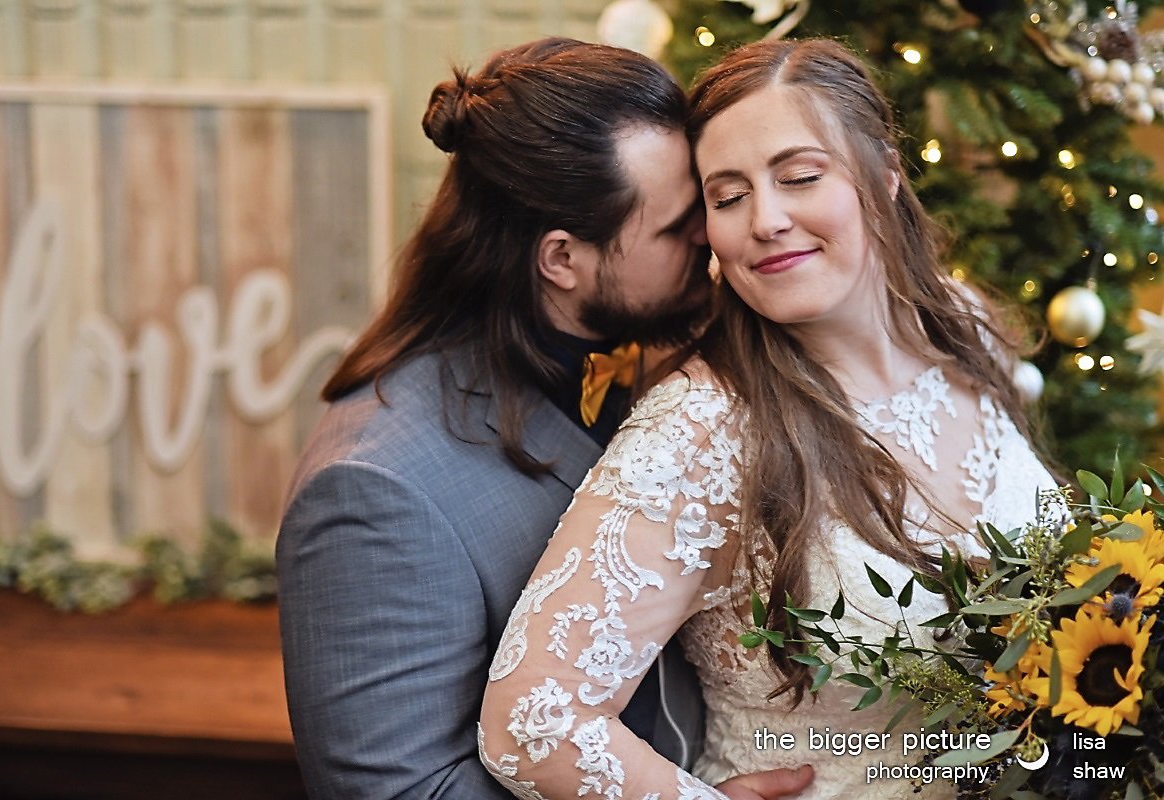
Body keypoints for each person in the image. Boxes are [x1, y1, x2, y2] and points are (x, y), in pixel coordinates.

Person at [478, 37, 1058, 800]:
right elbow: (532, 719)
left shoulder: (967, 326)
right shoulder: (702, 431)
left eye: (800, 177)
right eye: (728, 195)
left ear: (883, 175)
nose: (768, 219)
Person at [276, 37, 808, 800]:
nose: (712, 237)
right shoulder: (375, 489)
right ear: (562, 259)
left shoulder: (664, 353)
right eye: (676, 225)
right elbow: (403, 793)